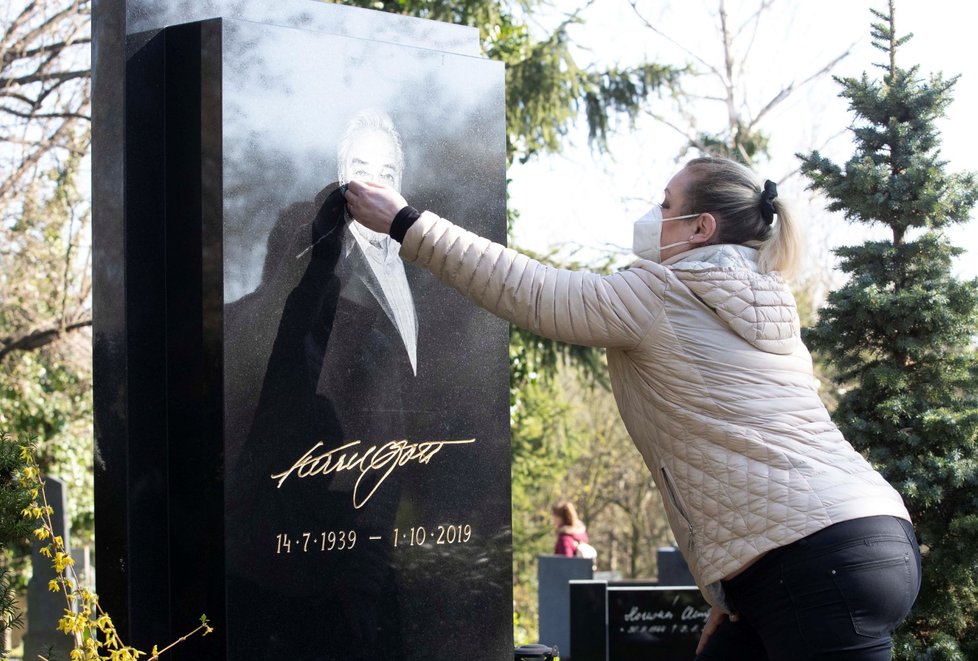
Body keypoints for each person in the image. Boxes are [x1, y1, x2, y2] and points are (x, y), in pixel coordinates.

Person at [342, 156, 922, 661]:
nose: (654, 216)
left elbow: (534, 292)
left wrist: (405, 222)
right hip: (845, 544)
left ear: (701, 226)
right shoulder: (767, 307)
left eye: (665, 204)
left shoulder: (662, 294)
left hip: (812, 565)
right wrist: (731, 590)